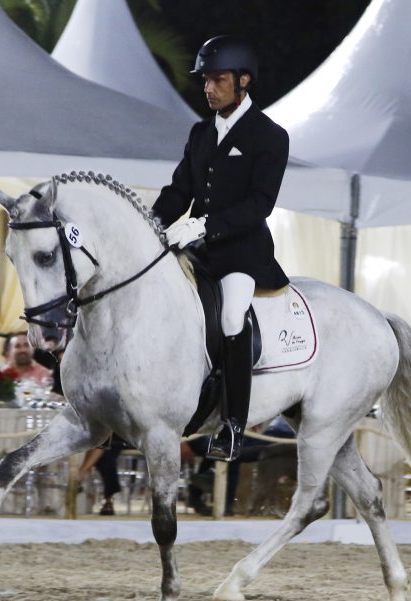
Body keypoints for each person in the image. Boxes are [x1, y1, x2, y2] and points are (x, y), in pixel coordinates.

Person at [151, 35, 290, 462]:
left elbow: (259, 203)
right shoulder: (199, 132)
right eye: (206, 81)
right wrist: (153, 225)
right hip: (199, 250)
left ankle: (233, 424)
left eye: (218, 80)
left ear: (243, 81)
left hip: (242, 252)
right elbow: (180, 190)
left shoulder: (270, 135)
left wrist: (206, 226)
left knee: (231, 316)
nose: (209, 88)